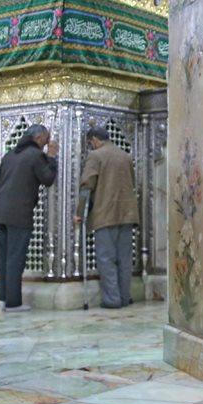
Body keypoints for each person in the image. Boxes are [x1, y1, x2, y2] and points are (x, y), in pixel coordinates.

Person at [0, 124, 59, 312]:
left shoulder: (10, 155)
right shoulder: (35, 155)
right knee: (15, 259)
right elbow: (47, 178)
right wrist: (52, 157)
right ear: (38, 138)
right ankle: (14, 303)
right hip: (19, 215)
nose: (47, 142)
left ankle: (6, 299)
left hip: (1, 214)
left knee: (6, 258)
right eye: (47, 139)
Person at [75, 126, 138, 309]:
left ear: (94, 140)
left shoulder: (96, 156)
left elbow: (87, 186)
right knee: (124, 259)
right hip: (127, 214)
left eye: (90, 143)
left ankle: (112, 300)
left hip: (105, 215)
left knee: (106, 258)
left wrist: (79, 213)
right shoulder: (125, 156)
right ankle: (125, 297)